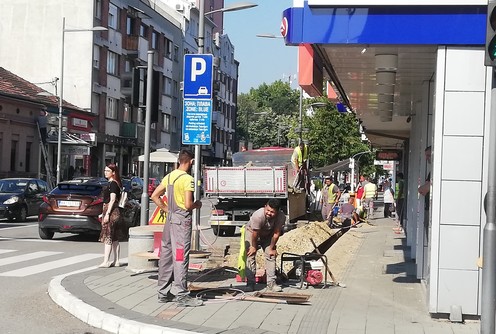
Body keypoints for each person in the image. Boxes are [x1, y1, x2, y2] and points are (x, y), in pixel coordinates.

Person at [151, 149, 203, 307]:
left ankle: (163, 292)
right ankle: (182, 294)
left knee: (166, 256)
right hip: (182, 221)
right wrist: (197, 204)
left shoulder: (170, 176)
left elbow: (154, 195)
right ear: (191, 162)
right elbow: (188, 204)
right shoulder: (188, 179)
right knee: (180, 256)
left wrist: (166, 209)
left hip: (170, 220)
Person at [244, 199, 285, 292]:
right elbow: (255, 234)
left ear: (277, 212)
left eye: (272, 212)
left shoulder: (281, 217)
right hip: (252, 233)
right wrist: (253, 247)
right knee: (250, 255)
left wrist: (271, 248)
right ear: (265, 206)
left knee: (271, 256)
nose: (269, 213)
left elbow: (276, 233)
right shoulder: (258, 216)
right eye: (268, 210)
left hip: (268, 235)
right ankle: (250, 284)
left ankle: (271, 284)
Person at [99, 163, 124, 268]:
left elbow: (112, 199)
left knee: (108, 236)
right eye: (105, 170)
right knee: (114, 238)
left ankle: (106, 261)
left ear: (113, 173)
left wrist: (107, 214)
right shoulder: (116, 183)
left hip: (112, 211)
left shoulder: (113, 184)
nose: (105, 172)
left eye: (108, 171)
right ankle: (117, 261)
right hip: (115, 211)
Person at [418, 146, 432, 240]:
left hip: (431, 209)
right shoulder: (432, 172)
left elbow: (423, 189)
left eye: (428, 155)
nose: (426, 158)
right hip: (428, 207)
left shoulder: (435, 173)